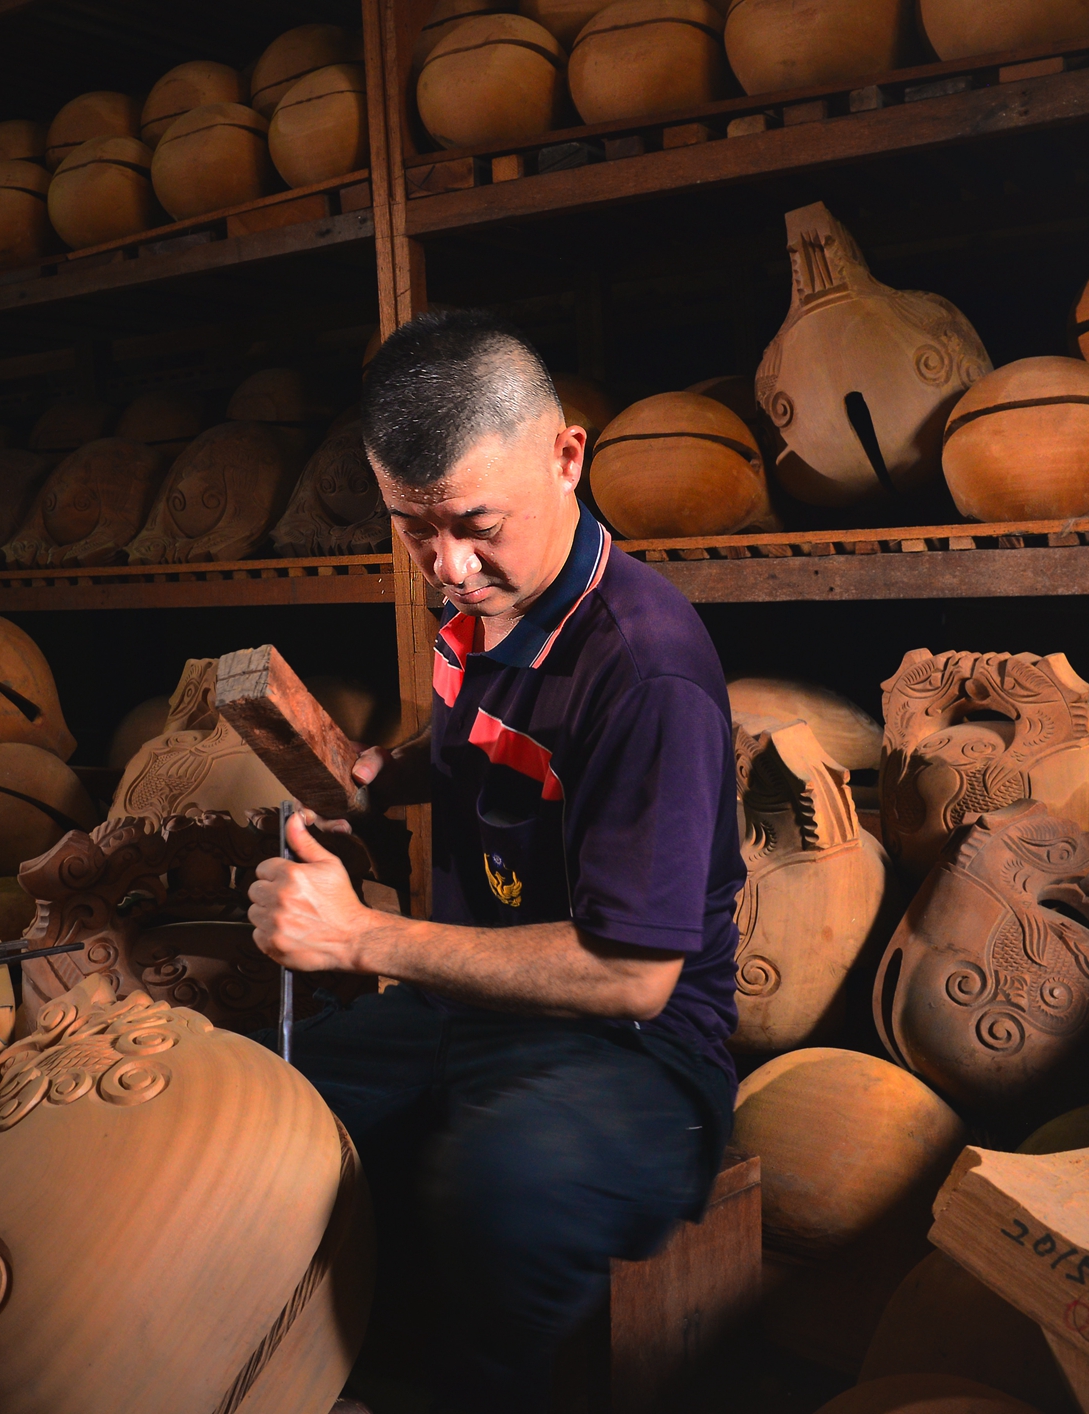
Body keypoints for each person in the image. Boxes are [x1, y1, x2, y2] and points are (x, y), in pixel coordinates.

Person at [247, 310, 743, 1410]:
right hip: (472, 1007)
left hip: (636, 1051)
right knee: (256, 1111)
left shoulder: (645, 669)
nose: (448, 565)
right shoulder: (482, 604)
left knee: (504, 1186)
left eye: (476, 524)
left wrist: (360, 936)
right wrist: (388, 775)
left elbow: (633, 973)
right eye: (412, 528)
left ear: (568, 456)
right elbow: (490, 735)